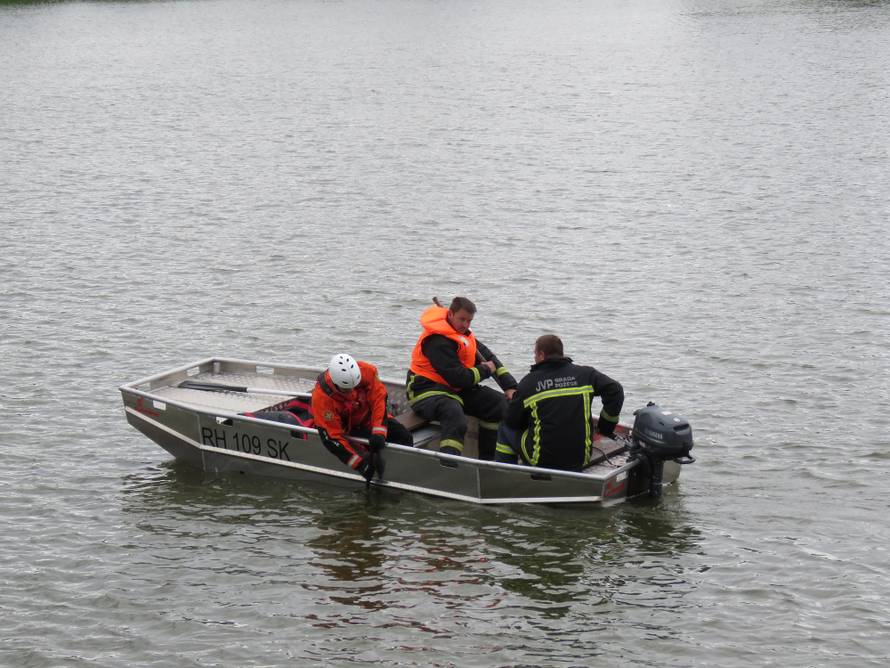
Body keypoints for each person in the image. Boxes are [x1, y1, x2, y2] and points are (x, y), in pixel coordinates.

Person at [407, 296, 518, 459]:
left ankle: (488, 461)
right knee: (454, 414)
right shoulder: (436, 340)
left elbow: (489, 358)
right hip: (425, 389)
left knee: (498, 404)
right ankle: (449, 463)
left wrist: (509, 386)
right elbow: (458, 378)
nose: (466, 325)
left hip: (454, 390)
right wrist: (484, 370)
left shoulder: (464, 336)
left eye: (469, 321)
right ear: (450, 314)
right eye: (462, 319)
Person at [495, 334, 624, 472]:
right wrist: (605, 427)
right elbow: (615, 390)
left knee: (504, 428)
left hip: (542, 461)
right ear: (561, 354)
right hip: (580, 458)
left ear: (541, 355)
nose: (534, 358)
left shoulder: (529, 383)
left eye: (535, 355)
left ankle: (505, 474)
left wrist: (515, 399)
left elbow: (512, 421)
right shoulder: (586, 375)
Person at [312, 353, 413, 481]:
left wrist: (379, 432)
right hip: (349, 429)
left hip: (368, 418)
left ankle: (403, 474)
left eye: (354, 387)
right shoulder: (322, 399)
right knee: (367, 458)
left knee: (404, 437)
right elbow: (331, 437)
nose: (351, 391)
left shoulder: (367, 371)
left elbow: (379, 400)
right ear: (335, 383)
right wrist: (360, 465)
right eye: (346, 389)